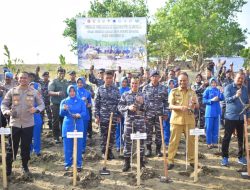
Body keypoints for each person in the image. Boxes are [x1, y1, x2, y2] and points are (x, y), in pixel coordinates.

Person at [1, 71, 45, 176]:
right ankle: (8, 168)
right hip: (14, 124)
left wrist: (36, 109)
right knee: (11, 147)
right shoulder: (12, 91)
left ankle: (25, 166)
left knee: (25, 147)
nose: (22, 80)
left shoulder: (34, 92)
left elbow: (42, 104)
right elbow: (4, 104)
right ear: (18, 79)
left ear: (28, 79)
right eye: (21, 78)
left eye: (25, 78)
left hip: (28, 124)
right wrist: (6, 111)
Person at [167, 72, 199, 170]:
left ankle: (192, 161)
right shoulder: (173, 91)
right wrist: (180, 107)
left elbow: (197, 106)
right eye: (180, 80)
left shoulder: (192, 92)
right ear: (178, 81)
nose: (182, 82)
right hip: (176, 121)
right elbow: (170, 106)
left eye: (184, 80)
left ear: (188, 81)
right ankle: (170, 161)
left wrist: (194, 104)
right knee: (173, 142)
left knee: (191, 142)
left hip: (189, 121)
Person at [221, 72, 250, 166]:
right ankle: (225, 157)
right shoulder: (228, 87)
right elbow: (227, 100)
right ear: (235, 78)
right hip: (230, 117)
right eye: (239, 78)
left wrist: (248, 116)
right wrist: (236, 96)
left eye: (242, 78)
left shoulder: (245, 89)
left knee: (241, 138)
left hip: (242, 117)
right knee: (227, 138)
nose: (240, 80)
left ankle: (241, 157)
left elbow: (247, 104)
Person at [118, 77, 146, 172]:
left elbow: (147, 108)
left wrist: (140, 104)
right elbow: (119, 107)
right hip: (129, 122)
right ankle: (127, 163)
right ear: (130, 84)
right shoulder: (125, 94)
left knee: (141, 142)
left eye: (136, 83)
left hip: (140, 122)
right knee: (127, 142)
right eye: (133, 83)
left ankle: (141, 162)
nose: (134, 85)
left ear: (139, 84)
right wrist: (128, 107)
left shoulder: (143, 95)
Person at [94, 70, 121, 159]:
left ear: (112, 78)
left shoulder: (116, 89)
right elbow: (96, 104)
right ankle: (104, 151)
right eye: (107, 78)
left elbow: (119, 103)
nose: (109, 80)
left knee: (112, 135)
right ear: (104, 78)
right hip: (103, 116)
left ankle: (109, 151)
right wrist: (96, 116)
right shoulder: (100, 89)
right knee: (103, 135)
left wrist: (119, 115)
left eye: (110, 78)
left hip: (113, 117)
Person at [60, 85, 86, 172]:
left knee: (78, 145)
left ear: (75, 91)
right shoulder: (64, 101)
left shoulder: (81, 101)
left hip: (78, 125)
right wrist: (64, 109)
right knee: (68, 146)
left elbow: (84, 112)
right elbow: (61, 114)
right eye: (70, 91)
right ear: (68, 91)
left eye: (73, 91)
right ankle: (68, 164)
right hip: (68, 125)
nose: (72, 92)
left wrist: (80, 115)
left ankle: (78, 164)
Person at [142, 70, 169, 157]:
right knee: (148, 132)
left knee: (159, 132)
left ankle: (158, 150)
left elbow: (166, 102)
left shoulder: (163, 88)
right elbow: (142, 103)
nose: (155, 78)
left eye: (156, 76)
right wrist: (143, 115)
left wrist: (165, 113)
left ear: (159, 78)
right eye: (153, 76)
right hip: (148, 114)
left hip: (159, 115)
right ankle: (149, 149)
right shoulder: (145, 88)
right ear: (150, 77)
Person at [203, 78, 224, 149]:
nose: (214, 84)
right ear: (210, 83)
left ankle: (214, 142)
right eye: (212, 83)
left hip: (217, 111)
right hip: (209, 112)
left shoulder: (218, 90)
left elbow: (222, 98)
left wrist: (221, 92)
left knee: (216, 128)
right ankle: (209, 143)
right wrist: (211, 100)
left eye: (215, 83)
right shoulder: (207, 90)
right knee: (209, 128)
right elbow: (204, 100)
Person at [48, 67, 68, 143]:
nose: (61, 74)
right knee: (56, 120)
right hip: (55, 104)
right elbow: (49, 92)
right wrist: (57, 93)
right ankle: (56, 137)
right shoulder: (54, 81)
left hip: (64, 104)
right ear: (57, 73)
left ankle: (63, 135)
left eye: (63, 73)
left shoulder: (66, 82)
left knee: (64, 120)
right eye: (60, 73)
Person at [76, 77, 91, 154]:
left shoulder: (87, 92)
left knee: (84, 131)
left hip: (85, 115)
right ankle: (76, 146)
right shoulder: (73, 91)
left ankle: (82, 148)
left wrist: (88, 104)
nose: (80, 84)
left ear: (84, 83)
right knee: (76, 131)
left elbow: (90, 103)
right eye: (78, 82)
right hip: (76, 115)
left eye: (81, 82)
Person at [116, 77, 130, 152]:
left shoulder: (129, 90)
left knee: (126, 131)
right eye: (123, 82)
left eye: (125, 82)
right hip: (119, 114)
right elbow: (116, 103)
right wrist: (117, 114)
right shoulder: (117, 90)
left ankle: (126, 145)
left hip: (127, 114)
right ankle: (119, 145)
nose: (124, 83)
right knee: (118, 130)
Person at [29, 82, 43, 156]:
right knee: (28, 135)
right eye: (30, 88)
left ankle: (37, 151)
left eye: (34, 88)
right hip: (27, 118)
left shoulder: (39, 97)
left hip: (36, 117)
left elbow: (41, 106)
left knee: (36, 135)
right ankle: (29, 150)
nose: (32, 90)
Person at [163, 79, 175, 147]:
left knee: (173, 128)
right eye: (170, 83)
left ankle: (173, 141)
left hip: (174, 112)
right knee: (166, 127)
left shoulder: (175, 91)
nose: (171, 85)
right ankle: (166, 142)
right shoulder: (165, 91)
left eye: (172, 83)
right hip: (167, 112)